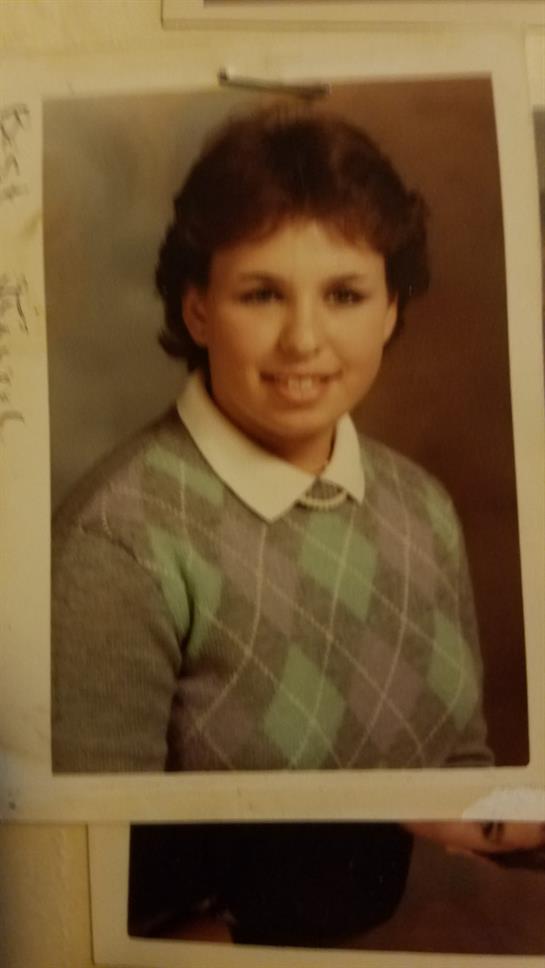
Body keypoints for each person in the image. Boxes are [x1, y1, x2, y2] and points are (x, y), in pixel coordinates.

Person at [52, 102, 545, 948]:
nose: (304, 340)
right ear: (198, 308)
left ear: (390, 308)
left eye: (345, 293)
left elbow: (462, 777)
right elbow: (90, 878)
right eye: (261, 294)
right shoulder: (120, 537)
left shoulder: (421, 505)